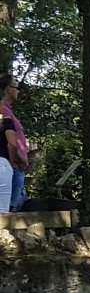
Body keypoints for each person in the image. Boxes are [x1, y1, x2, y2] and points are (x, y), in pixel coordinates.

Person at [0, 75, 26, 212]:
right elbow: (11, 143)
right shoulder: (3, 111)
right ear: (8, 90)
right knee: (9, 209)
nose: (18, 91)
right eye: (16, 88)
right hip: (11, 164)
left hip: (13, 165)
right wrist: (18, 159)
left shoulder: (8, 111)